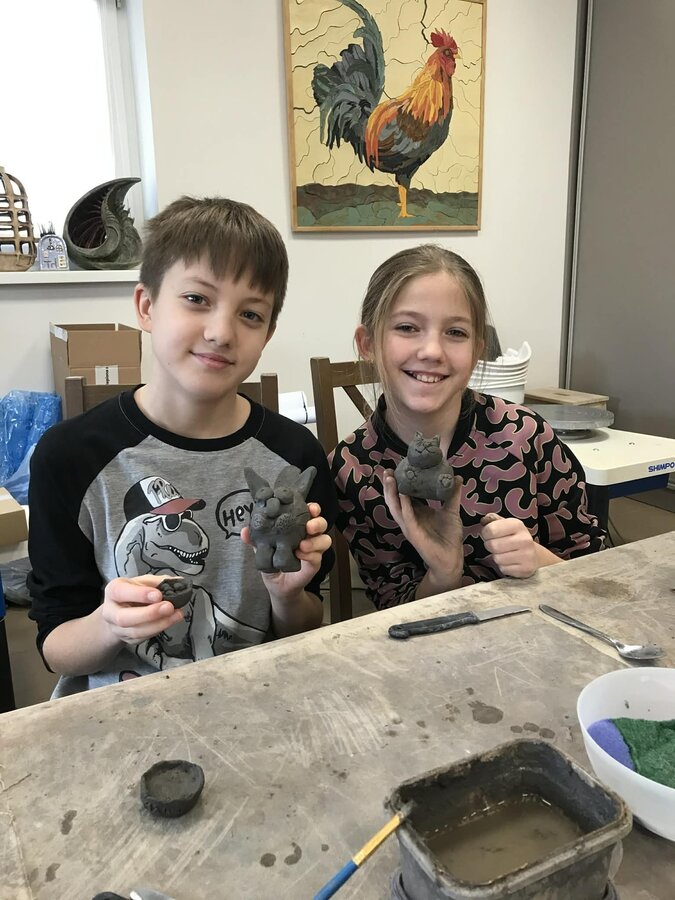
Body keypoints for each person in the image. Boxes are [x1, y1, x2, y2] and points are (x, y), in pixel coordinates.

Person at [28, 196, 336, 696]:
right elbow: (55, 645)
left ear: (267, 333)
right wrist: (110, 625)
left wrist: (286, 596)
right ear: (146, 306)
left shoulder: (294, 456)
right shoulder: (70, 456)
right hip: (120, 711)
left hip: (256, 701)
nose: (221, 332)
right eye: (196, 299)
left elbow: (303, 626)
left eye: (250, 314)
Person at [330, 245, 605, 610]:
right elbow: (391, 606)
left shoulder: (525, 435)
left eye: (455, 332)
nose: (432, 351)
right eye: (407, 327)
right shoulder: (352, 468)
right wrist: (444, 574)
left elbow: (596, 573)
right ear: (368, 343)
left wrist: (540, 562)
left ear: (477, 350)